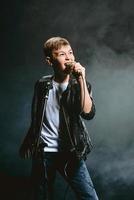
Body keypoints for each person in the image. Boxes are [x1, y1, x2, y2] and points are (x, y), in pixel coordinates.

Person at [19, 36, 99, 200]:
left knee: (89, 196)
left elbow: (88, 113)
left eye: (70, 52)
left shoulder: (80, 85)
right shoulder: (42, 84)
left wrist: (81, 79)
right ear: (50, 61)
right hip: (43, 152)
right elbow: (37, 116)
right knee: (41, 196)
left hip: (70, 153)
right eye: (62, 54)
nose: (69, 57)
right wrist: (28, 140)